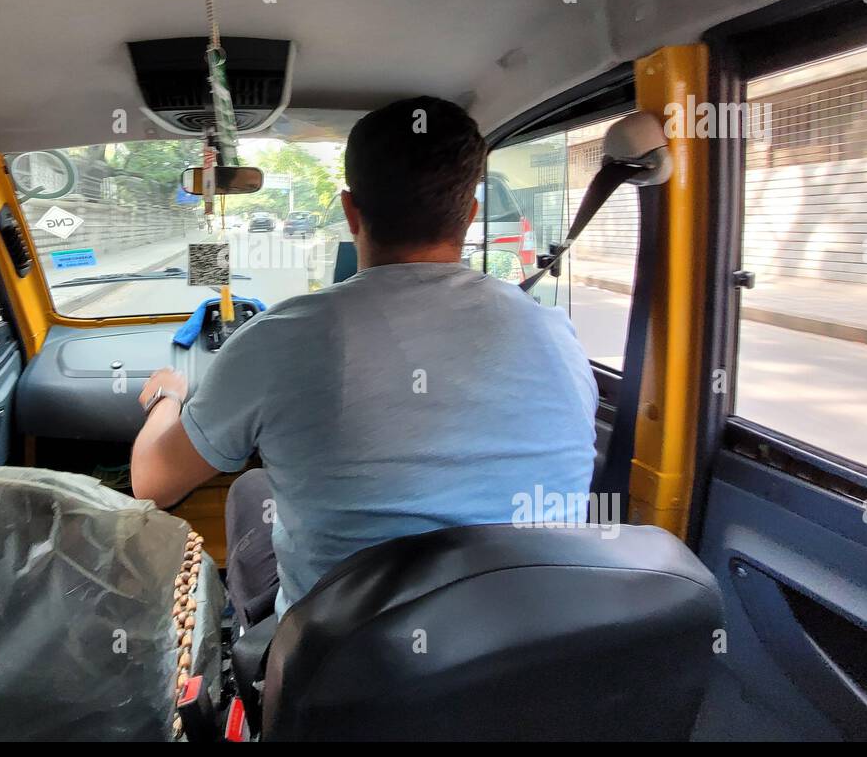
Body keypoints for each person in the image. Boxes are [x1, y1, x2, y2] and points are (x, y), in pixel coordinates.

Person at [131, 96, 598, 627]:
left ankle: (250, 651)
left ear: (351, 211)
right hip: (537, 641)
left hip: (347, 669)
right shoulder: (555, 333)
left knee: (249, 491)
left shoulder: (283, 338)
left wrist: (168, 397)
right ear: (469, 215)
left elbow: (153, 484)